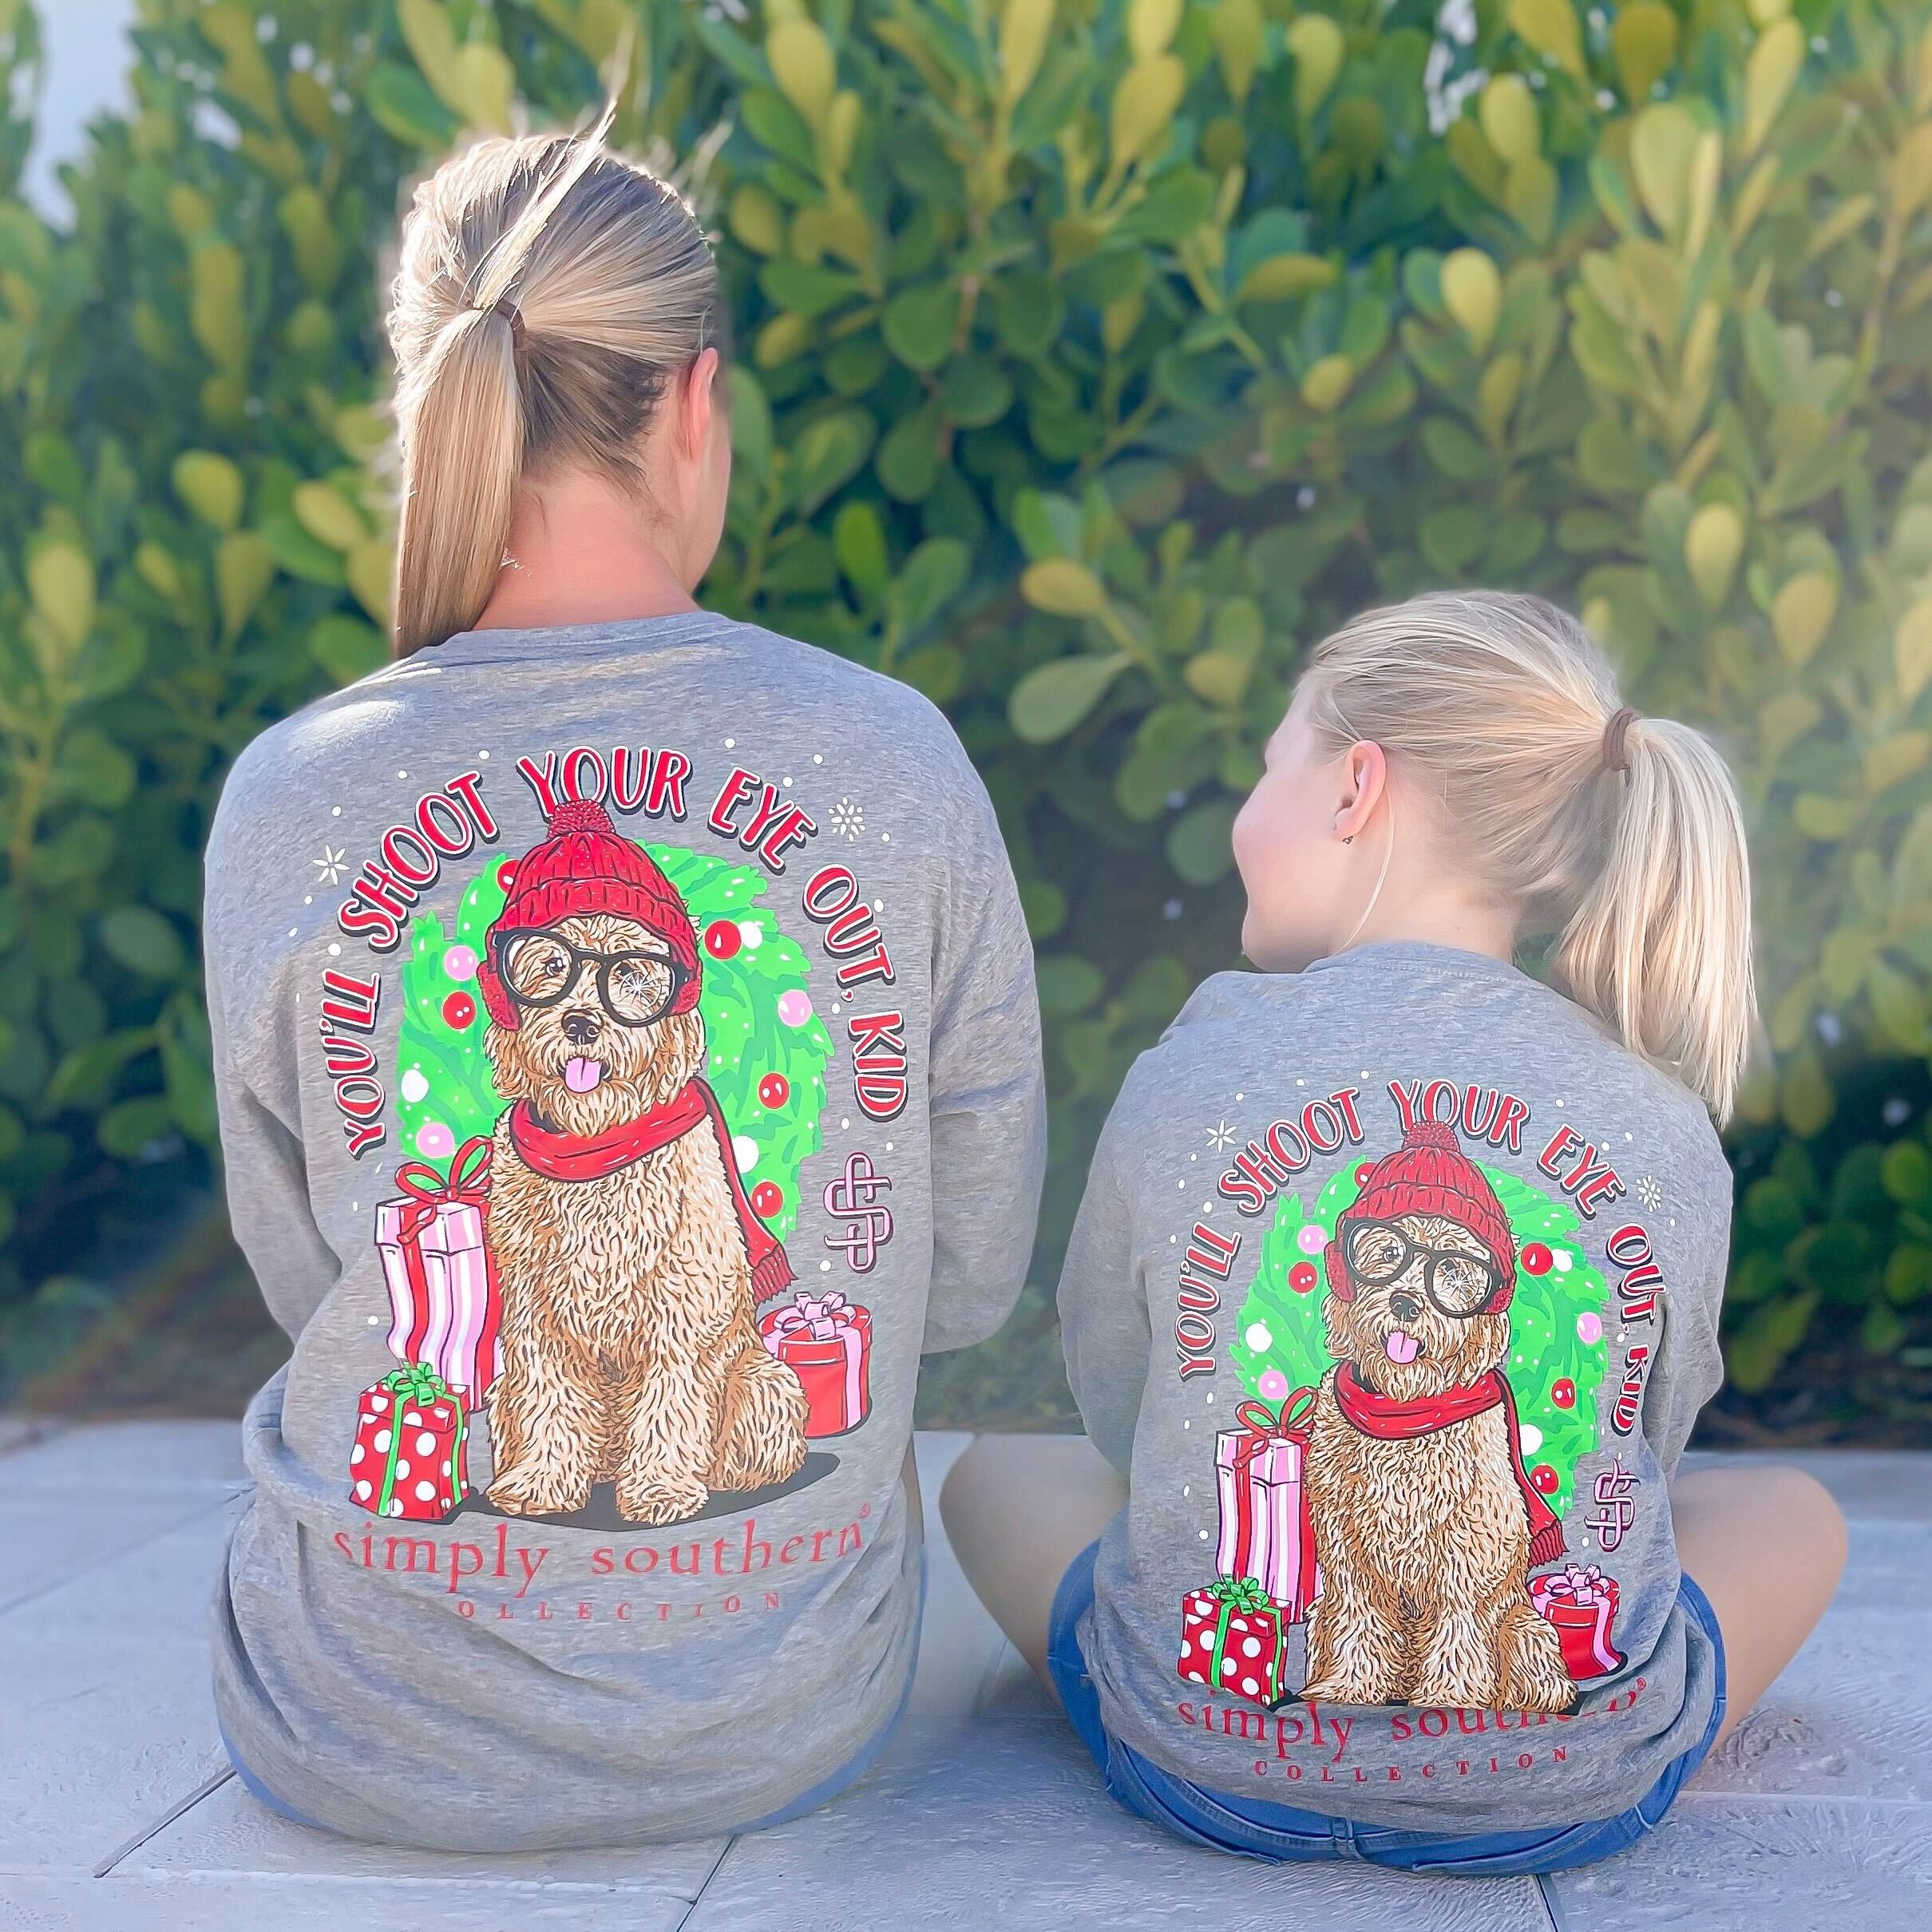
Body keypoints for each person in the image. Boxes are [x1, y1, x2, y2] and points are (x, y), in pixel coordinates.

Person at [203, 121, 1044, 1850]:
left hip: (351, 1721)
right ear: (695, 406)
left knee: (686, 1348)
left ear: (432, 405)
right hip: (770, 1723)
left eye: (622, 983)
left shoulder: (289, 791)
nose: (584, 1015)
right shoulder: (893, 756)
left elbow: (312, 1270)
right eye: (553, 982)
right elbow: (958, 1276)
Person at [943, 591, 1845, 1873]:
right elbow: (1651, 1434)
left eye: (1270, 767)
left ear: (1356, 786)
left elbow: (1121, 1398)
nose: (1245, 819)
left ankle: (1300, 1702)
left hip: (1205, 1772)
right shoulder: (1654, 1106)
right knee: (1792, 1511)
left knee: (996, 1474)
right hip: (1564, 1798)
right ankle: (1547, 1730)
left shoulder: (1199, 1060)